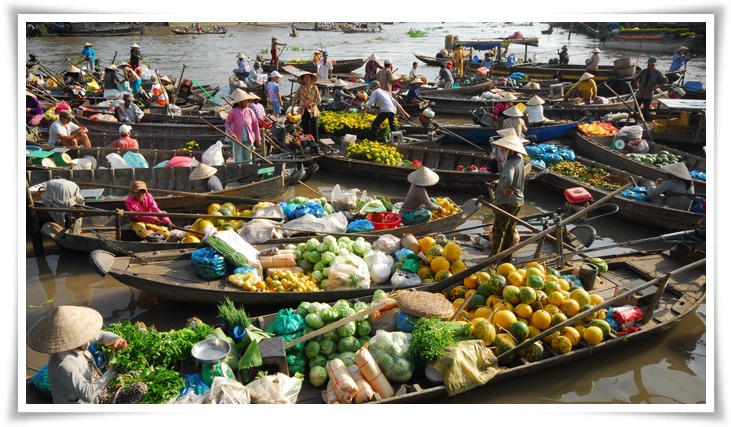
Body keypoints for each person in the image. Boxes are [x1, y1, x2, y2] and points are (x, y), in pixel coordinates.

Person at [27, 305, 148, 404]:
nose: (88, 335)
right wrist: (112, 372)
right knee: (139, 389)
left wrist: (115, 339)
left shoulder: (77, 342)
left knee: (136, 373)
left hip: (95, 386)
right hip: (85, 404)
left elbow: (100, 335)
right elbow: (87, 395)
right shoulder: (64, 365)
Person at [487, 133, 526, 257]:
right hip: (518, 201)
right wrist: (500, 182)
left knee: (498, 230)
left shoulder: (510, 162)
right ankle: (507, 256)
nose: (501, 151)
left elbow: (509, 178)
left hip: (507, 202)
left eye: (503, 149)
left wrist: (503, 189)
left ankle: (492, 259)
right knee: (509, 230)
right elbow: (511, 178)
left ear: (510, 150)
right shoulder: (519, 160)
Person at [225, 89, 262, 164]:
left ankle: (248, 171)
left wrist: (258, 139)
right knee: (238, 158)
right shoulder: (233, 111)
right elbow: (227, 124)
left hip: (248, 138)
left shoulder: (250, 111)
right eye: (246, 101)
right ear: (239, 102)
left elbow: (255, 125)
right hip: (237, 139)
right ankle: (239, 171)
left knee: (248, 158)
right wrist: (232, 134)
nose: (247, 103)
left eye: (248, 101)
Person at [291, 72, 322, 150]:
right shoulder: (301, 88)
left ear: (311, 79)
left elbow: (319, 100)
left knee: (314, 128)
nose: (307, 79)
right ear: (303, 79)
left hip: (313, 110)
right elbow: (295, 98)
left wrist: (310, 104)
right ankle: (307, 144)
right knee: (305, 128)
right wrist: (292, 108)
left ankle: (315, 145)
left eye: (309, 77)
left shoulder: (315, 88)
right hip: (303, 110)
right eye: (305, 77)